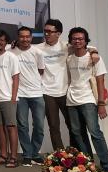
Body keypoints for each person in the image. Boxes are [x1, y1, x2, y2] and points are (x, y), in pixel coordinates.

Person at [37, 19, 99, 151]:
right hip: (47, 92)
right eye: (45, 31)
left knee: (74, 126)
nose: (47, 34)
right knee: (53, 126)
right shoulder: (38, 48)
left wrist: (94, 53)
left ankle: (76, 153)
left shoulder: (66, 46)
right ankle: (59, 155)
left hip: (66, 91)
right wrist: (13, 44)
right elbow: (21, 49)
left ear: (58, 33)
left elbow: (90, 47)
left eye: (50, 31)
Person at [66, 27, 108, 172]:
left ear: (86, 41)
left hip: (88, 99)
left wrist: (101, 104)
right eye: (74, 38)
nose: (77, 41)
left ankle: (107, 165)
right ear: (71, 41)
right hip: (71, 100)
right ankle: (87, 164)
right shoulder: (69, 58)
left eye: (80, 38)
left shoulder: (95, 58)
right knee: (77, 133)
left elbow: (100, 81)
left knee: (95, 132)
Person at [11, 26, 46, 167]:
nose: (25, 39)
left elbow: (41, 70)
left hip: (37, 93)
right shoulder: (11, 53)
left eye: (27, 36)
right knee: (23, 126)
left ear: (31, 38)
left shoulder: (38, 52)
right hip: (20, 95)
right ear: (18, 37)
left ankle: (35, 153)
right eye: (22, 36)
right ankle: (27, 155)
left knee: (39, 126)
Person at [0, 29, 20, 168]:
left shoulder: (11, 57)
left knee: (11, 127)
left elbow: (16, 78)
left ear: (6, 42)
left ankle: (13, 156)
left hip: (8, 99)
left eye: (2, 40)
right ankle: (3, 154)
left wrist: (13, 97)